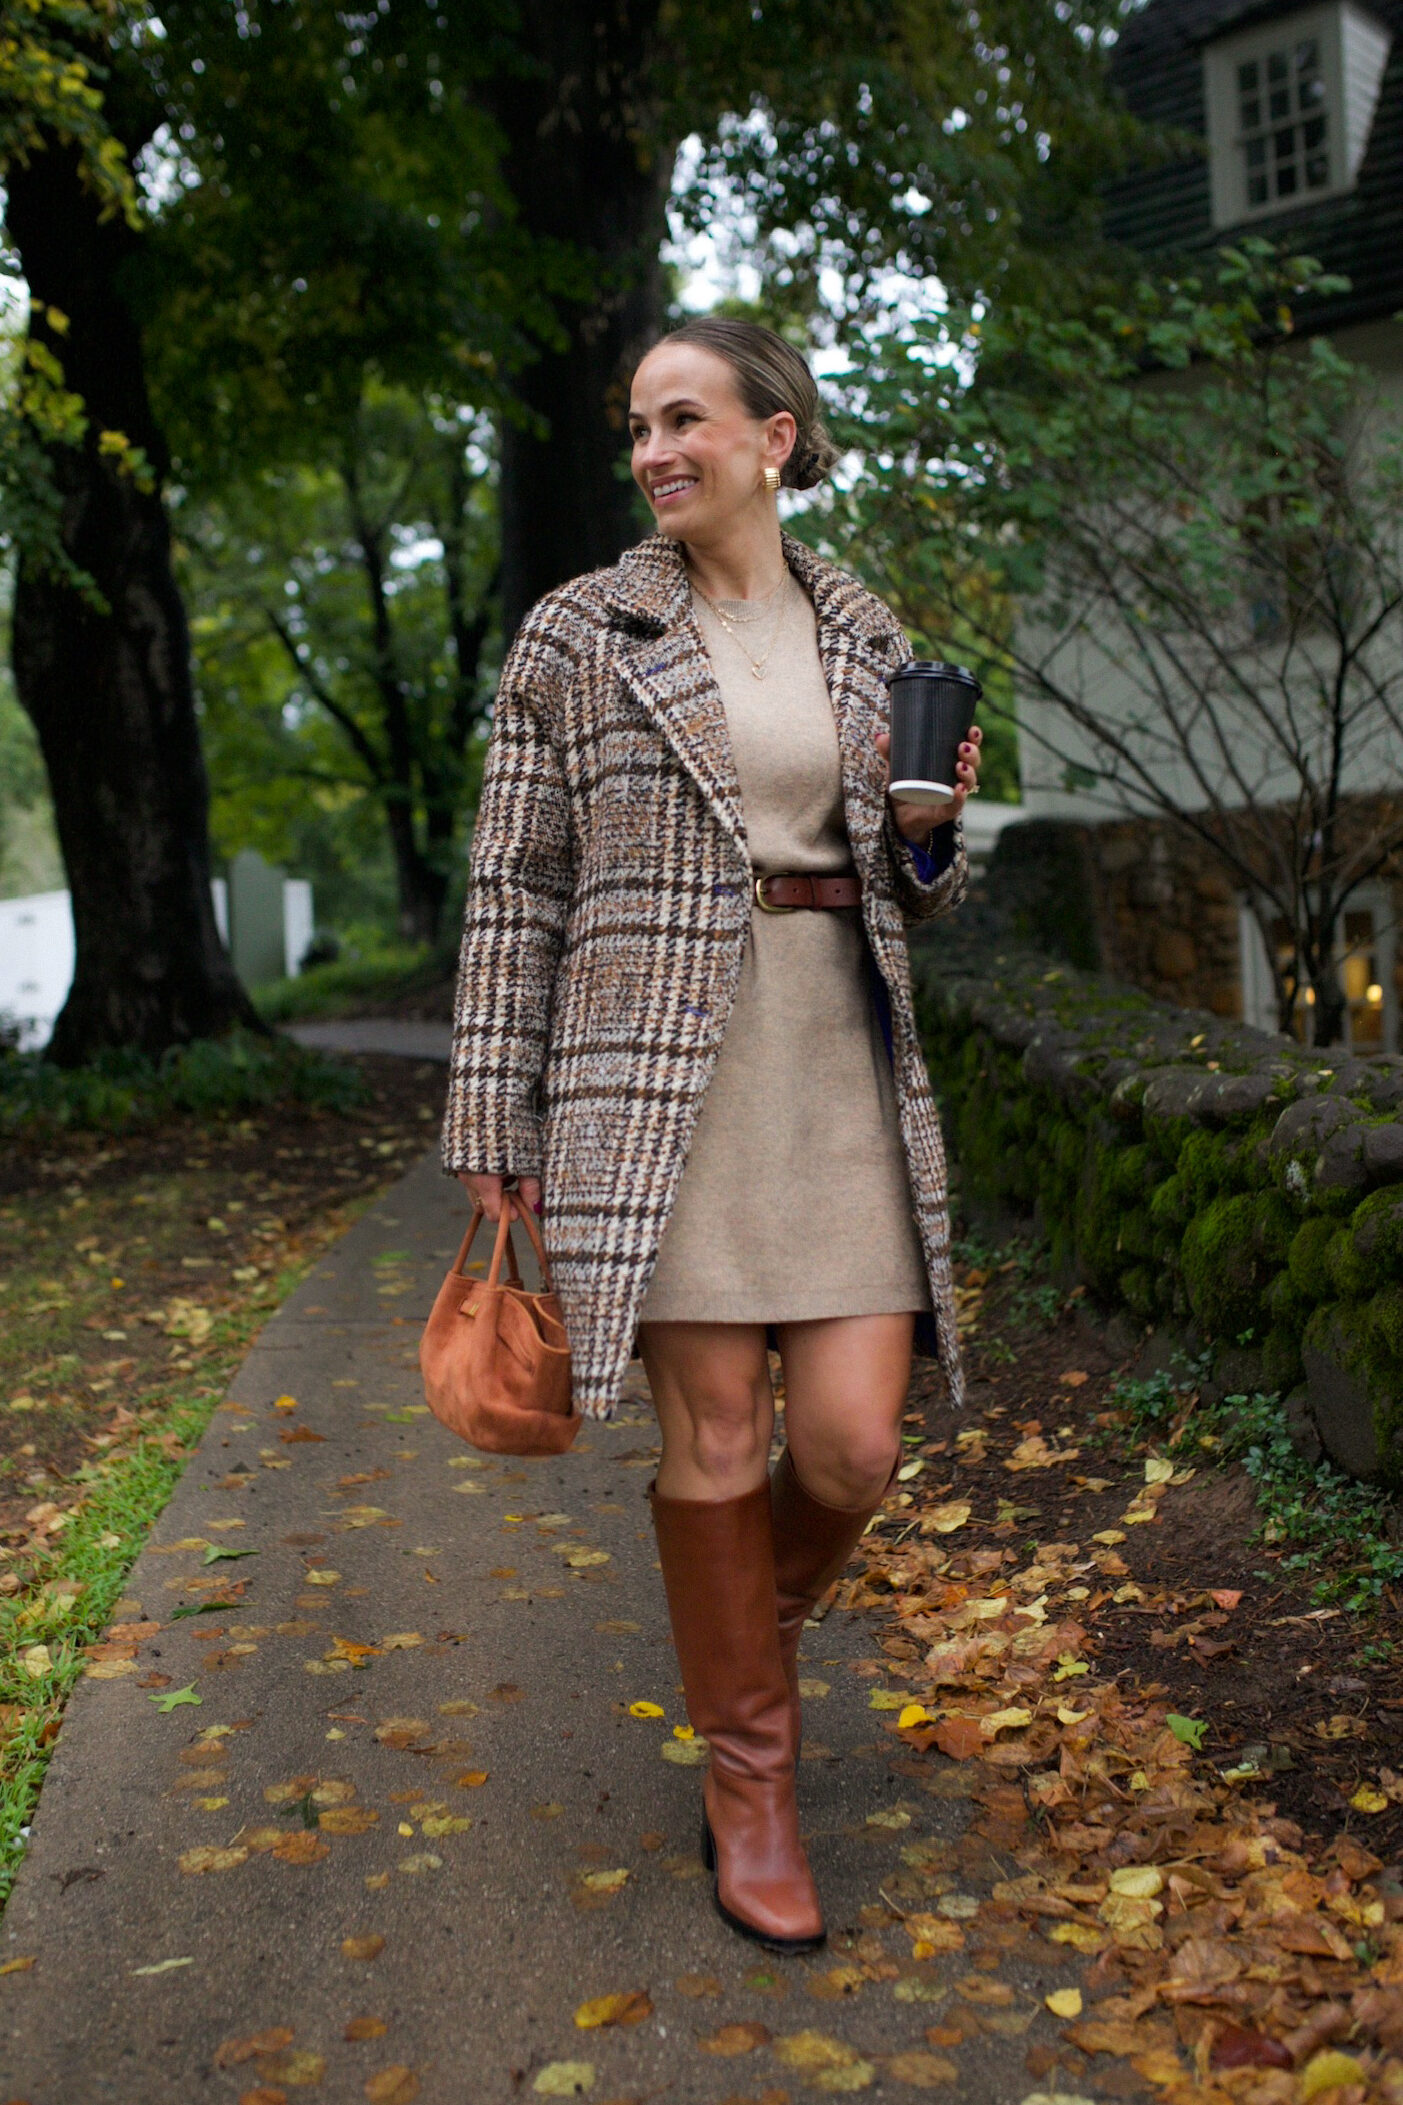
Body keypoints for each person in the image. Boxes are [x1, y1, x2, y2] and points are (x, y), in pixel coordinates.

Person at [443, 318, 981, 1954]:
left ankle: (744, 1639)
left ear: (777, 437)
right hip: (647, 1081)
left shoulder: (868, 629)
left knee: (853, 1451)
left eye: (687, 420)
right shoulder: (576, 633)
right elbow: (513, 882)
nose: (656, 449)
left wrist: (935, 838)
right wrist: (493, 1105)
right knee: (724, 1438)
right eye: (637, 426)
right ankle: (753, 1783)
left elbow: (914, 884)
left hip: (836, 1066)